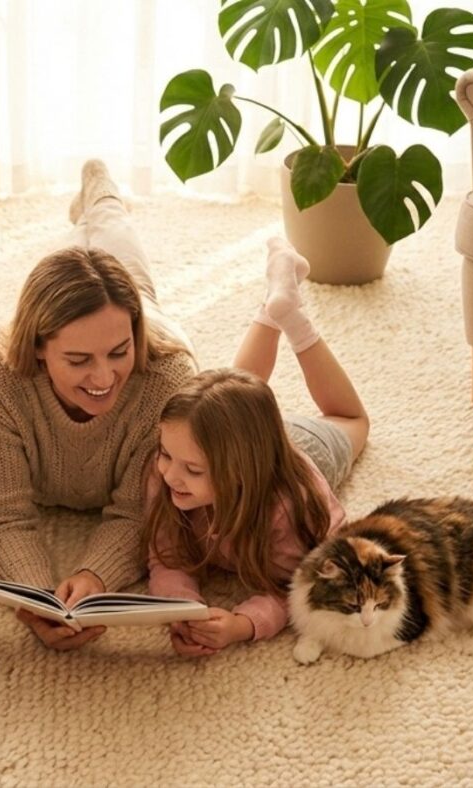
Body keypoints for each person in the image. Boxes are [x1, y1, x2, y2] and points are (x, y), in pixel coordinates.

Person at [0, 160, 198, 651]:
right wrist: (33, 597)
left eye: (118, 353)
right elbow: (4, 514)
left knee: (121, 252)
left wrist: (95, 577)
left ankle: (102, 192)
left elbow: (139, 513)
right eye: (78, 360)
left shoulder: (168, 384)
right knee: (94, 250)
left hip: (155, 325)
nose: (103, 377)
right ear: (37, 347)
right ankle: (95, 202)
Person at [145, 237, 370, 657]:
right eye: (165, 455)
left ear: (243, 475)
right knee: (229, 397)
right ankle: (275, 302)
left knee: (352, 418)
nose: (171, 475)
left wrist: (244, 624)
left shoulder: (291, 507)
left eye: (193, 470)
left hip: (312, 446)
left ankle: (293, 319)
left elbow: (299, 588)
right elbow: (166, 558)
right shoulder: (171, 466)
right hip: (235, 434)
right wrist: (182, 608)